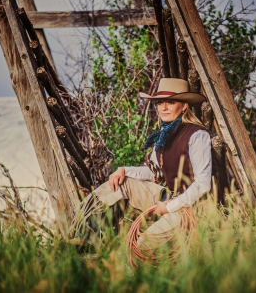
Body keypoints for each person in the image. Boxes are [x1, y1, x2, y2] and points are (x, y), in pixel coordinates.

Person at [70, 78, 212, 247]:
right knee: (122, 183)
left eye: (171, 102)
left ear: (184, 105)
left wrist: (169, 207)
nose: (164, 108)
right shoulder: (164, 136)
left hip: (192, 207)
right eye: (160, 103)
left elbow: (203, 185)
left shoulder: (197, 135)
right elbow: (153, 172)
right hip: (169, 198)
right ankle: (86, 237)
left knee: (144, 244)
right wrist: (124, 170)